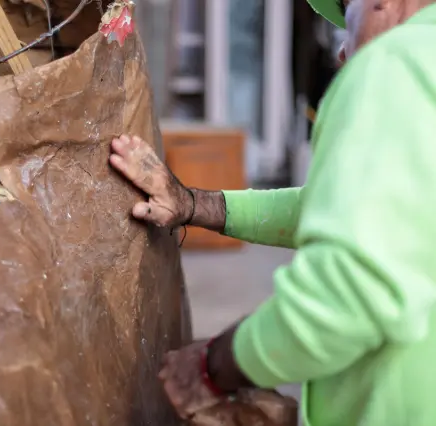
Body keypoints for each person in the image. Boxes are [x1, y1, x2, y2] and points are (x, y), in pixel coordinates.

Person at [109, 0, 436, 425]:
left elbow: (347, 296)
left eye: (346, 14)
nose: (342, 53)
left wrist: (212, 367)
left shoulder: (396, 64)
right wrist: (192, 203)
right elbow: (344, 207)